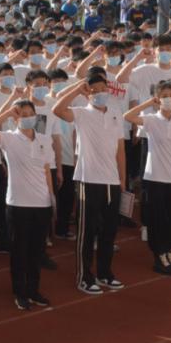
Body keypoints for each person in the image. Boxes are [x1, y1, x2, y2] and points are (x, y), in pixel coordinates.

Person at [52, 72, 127, 295]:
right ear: (87, 94)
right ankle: (84, 277)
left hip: (111, 181)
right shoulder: (81, 113)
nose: (99, 94)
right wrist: (78, 89)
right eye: (94, 91)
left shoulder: (115, 113)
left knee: (109, 231)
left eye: (102, 89)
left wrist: (122, 179)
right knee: (87, 232)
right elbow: (57, 109)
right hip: (88, 180)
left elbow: (120, 149)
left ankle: (105, 273)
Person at [0, 98, 55, 309]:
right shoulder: (9, 138)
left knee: (36, 251)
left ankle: (33, 290)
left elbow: (46, 170)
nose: (28, 118)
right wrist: (7, 113)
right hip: (18, 204)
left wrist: (51, 197)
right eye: (22, 115)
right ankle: (20, 292)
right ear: (16, 118)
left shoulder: (44, 139)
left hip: (42, 204)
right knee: (19, 251)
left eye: (30, 114)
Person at [123, 81, 171, 275]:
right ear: (158, 99)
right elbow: (127, 116)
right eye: (164, 96)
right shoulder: (151, 120)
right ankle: (159, 255)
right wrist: (147, 103)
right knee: (157, 219)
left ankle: (169, 251)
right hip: (154, 179)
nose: (168, 99)